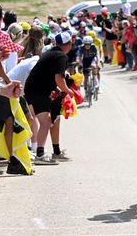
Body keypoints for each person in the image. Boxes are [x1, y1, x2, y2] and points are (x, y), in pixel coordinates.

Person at [24, 31, 74, 164]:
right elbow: (59, 78)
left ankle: (33, 150)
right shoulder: (61, 56)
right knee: (46, 122)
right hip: (38, 91)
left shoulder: (51, 53)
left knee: (32, 120)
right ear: (68, 44)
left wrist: (58, 89)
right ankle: (39, 154)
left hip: (31, 89)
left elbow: (49, 76)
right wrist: (68, 90)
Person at [78, 36, 99, 101]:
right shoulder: (81, 47)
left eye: (89, 44)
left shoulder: (94, 47)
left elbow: (97, 56)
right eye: (86, 44)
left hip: (93, 59)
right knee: (86, 77)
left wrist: (97, 64)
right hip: (85, 60)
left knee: (93, 66)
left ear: (91, 43)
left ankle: (95, 78)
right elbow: (81, 57)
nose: (87, 46)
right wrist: (80, 64)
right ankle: (86, 92)